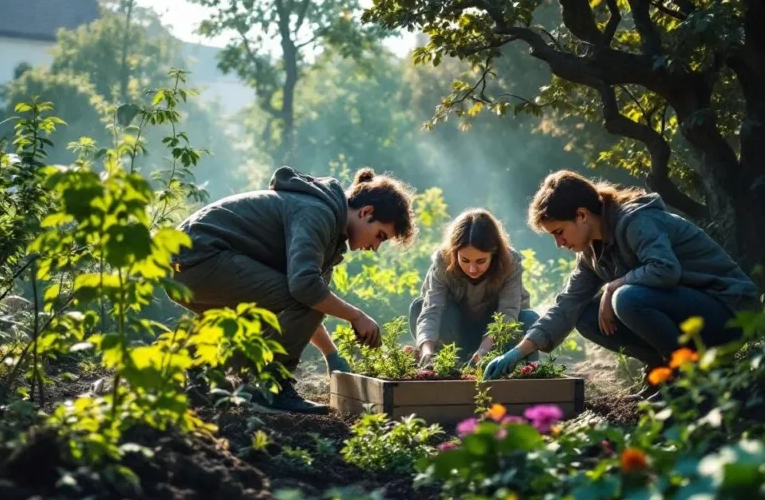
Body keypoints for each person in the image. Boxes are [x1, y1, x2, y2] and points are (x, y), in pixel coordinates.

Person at [171, 166, 416, 413]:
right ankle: (273, 388)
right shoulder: (317, 212)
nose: (374, 247)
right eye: (380, 236)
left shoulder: (332, 235)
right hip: (198, 256)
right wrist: (356, 315)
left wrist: (332, 355)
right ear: (366, 212)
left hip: (188, 264)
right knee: (306, 296)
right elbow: (305, 291)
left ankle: (198, 373)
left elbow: (308, 305)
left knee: (282, 308)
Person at [484, 170, 759, 380]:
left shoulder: (636, 220)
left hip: (729, 312)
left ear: (581, 215)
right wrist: (517, 352)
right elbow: (567, 305)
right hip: (691, 318)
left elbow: (665, 268)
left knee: (627, 298)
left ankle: (688, 377)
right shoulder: (591, 252)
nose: (559, 243)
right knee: (585, 315)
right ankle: (665, 370)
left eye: (559, 232)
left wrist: (614, 286)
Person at [410, 208, 539, 369]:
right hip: (457, 331)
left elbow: (508, 312)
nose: (472, 269)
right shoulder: (443, 262)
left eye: (480, 261)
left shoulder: (509, 263)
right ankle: (448, 362)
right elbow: (432, 310)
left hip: (495, 335)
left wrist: (485, 348)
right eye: (465, 260)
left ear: (494, 254)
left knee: (529, 318)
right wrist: (426, 351)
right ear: (454, 252)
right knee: (418, 306)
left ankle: (522, 369)